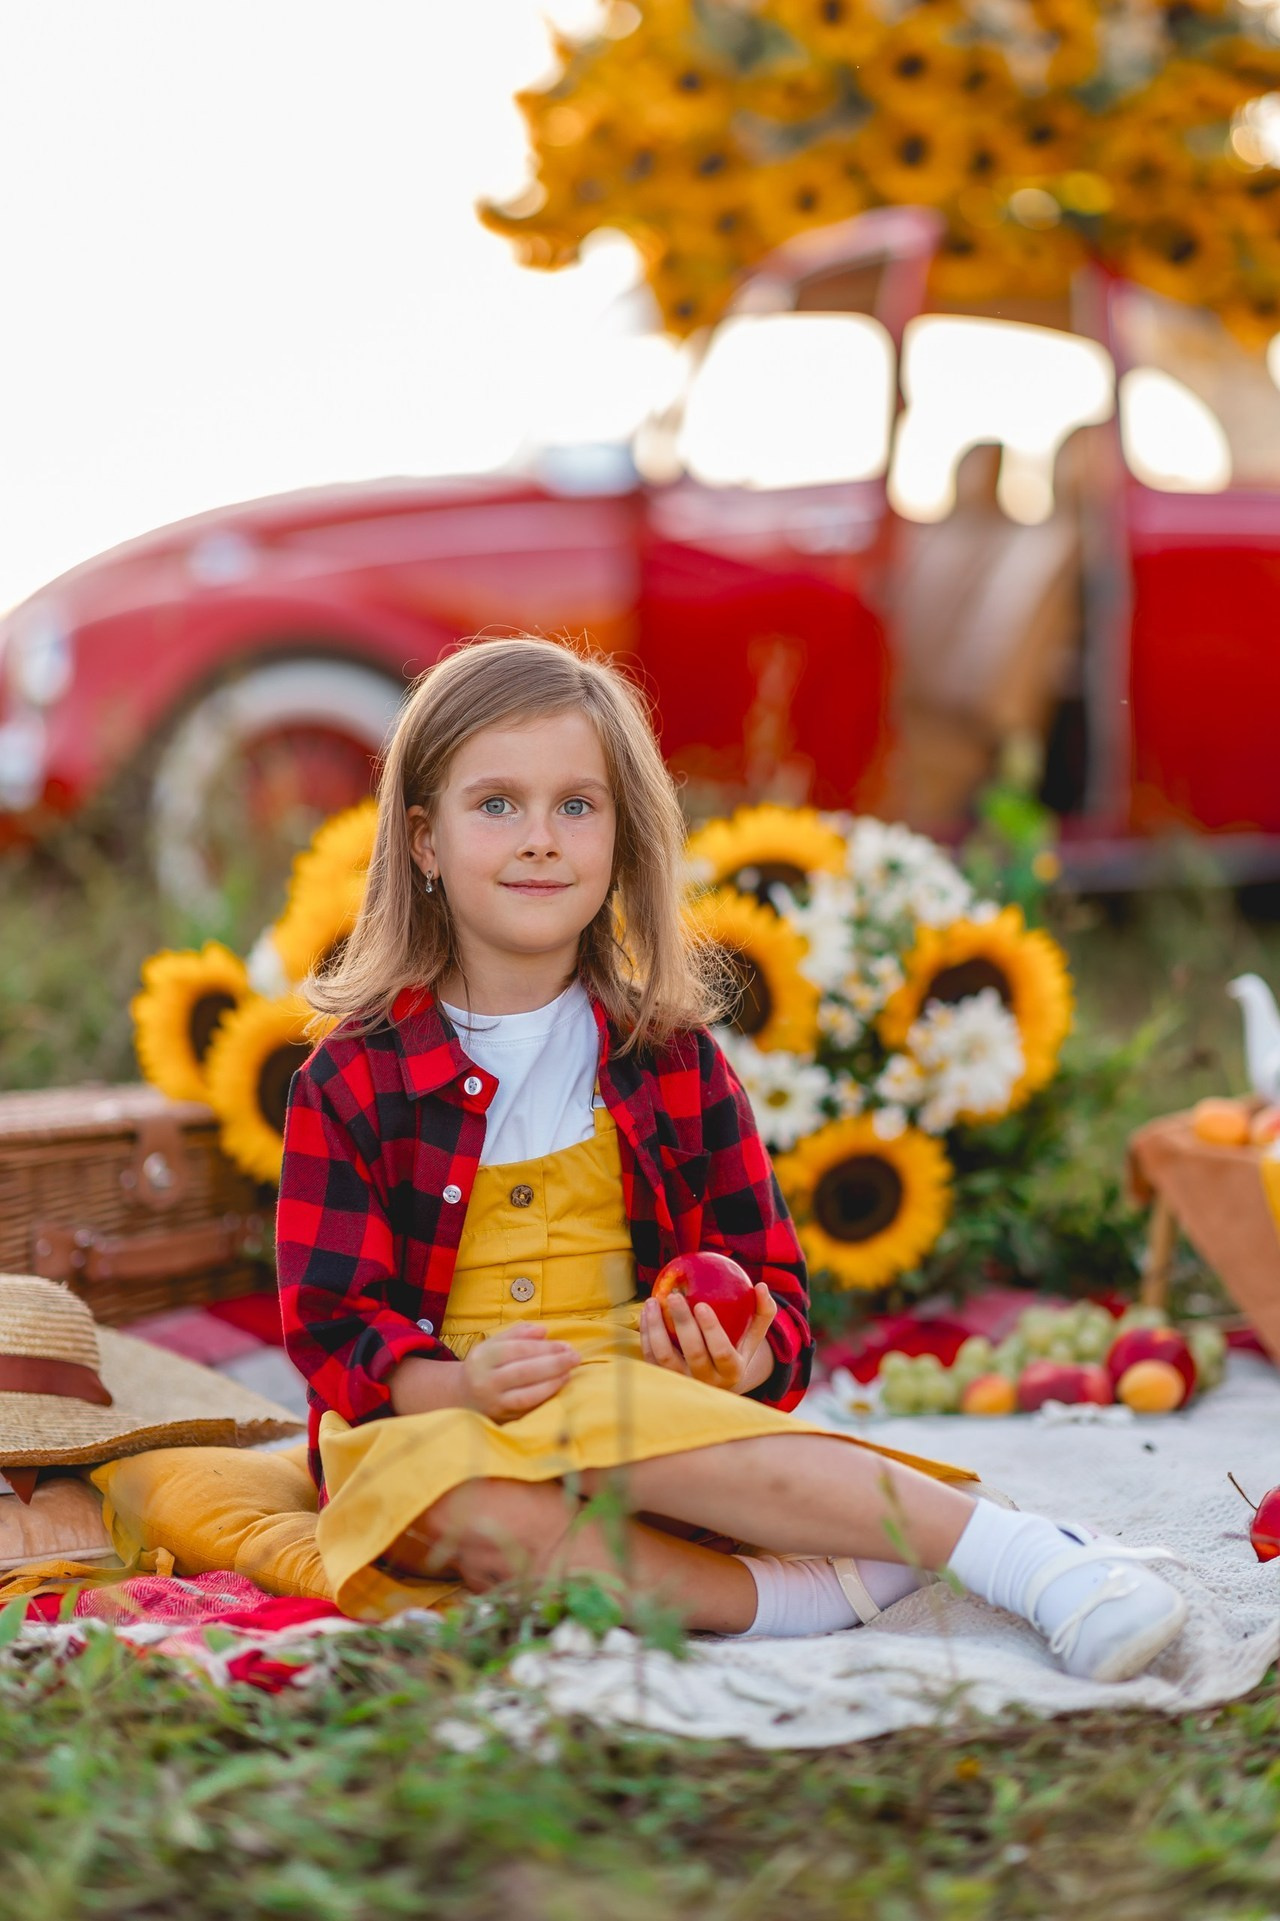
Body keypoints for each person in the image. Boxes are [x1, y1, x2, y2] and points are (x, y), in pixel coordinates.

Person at [275, 634, 1187, 1680]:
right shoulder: (353, 1080)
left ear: (621, 841)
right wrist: (460, 1386)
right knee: (452, 1506)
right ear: (424, 841)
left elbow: (777, 1299)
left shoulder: (667, 1062)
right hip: (440, 1422)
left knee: (614, 1411)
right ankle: (779, 1598)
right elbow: (331, 1331)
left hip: (638, 1410)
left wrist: (737, 1351)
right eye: (496, 805)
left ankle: (1021, 1556)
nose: (539, 838)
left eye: (577, 805)